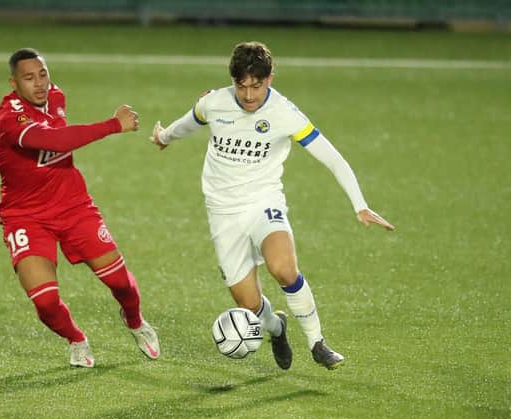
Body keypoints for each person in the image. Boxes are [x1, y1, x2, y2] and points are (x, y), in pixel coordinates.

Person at [150, 41, 394, 371]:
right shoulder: (215, 103)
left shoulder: (284, 114)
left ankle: (318, 343)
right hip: (223, 214)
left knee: (283, 268)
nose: (249, 95)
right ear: (232, 81)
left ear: (270, 80)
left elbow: (332, 158)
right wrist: (164, 137)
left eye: (257, 85)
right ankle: (277, 328)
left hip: (263, 202)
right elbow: (190, 122)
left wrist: (360, 204)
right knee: (249, 305)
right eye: (242, 86)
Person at [0, 47, 160, 368]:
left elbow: (52, 133)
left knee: (120, 283)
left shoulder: (56, 97)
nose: (39, 83)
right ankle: (76, 339)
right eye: (29, 78)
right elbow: (56, 141)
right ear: (13, 83)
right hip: (25, 216)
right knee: (45, 302)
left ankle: (135, 322)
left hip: (73, 207)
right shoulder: (9, 119)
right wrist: (114, 125)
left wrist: (5, 146)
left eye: (43, 74)